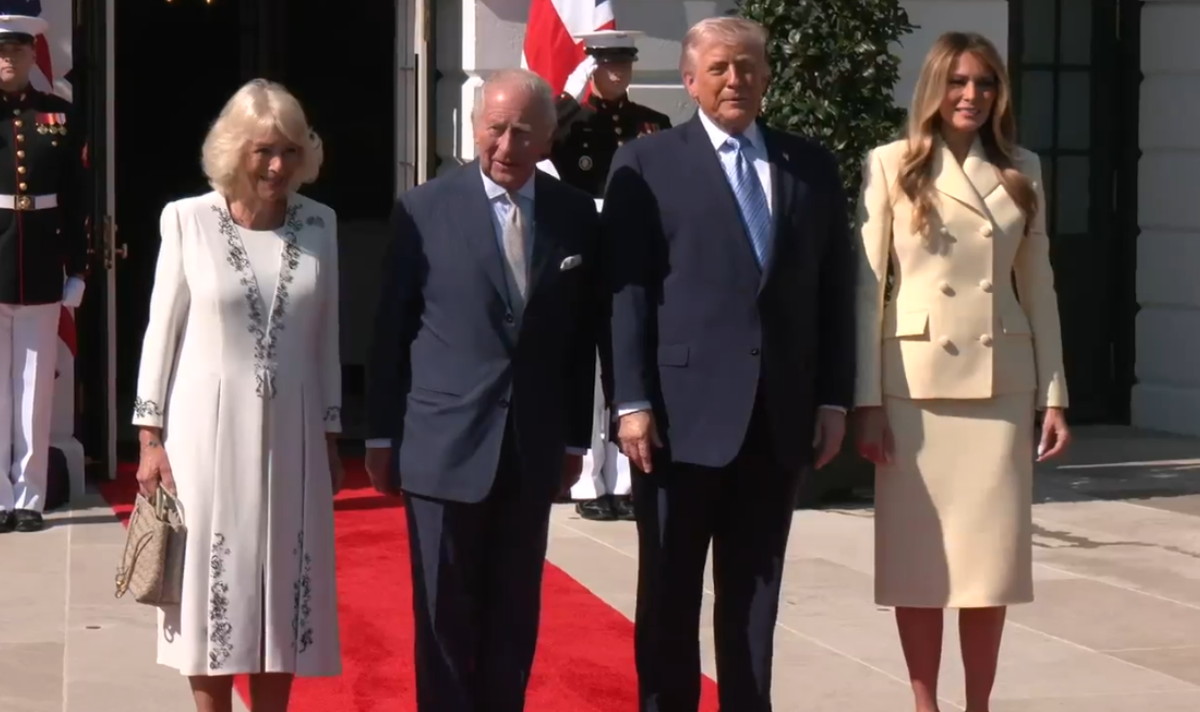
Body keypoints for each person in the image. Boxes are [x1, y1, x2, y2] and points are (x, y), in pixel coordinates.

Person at [603, 16, 856, 712]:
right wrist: (630, 401)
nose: (735, 79)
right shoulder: (648, 164)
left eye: (747, 66)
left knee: (754, 596)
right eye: (718, 67)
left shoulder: (810, 166)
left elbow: (835, 293)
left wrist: (834, 399)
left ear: (767, 76)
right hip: (677, 425)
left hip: (775, 420)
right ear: (690, 81)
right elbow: (626, 294)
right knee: (670, 595)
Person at [364, 68, 603, 712]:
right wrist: (381, 432)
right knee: (443, 615)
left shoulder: (577, 216)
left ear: (549, 138)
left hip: (530, 449)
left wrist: (576, 438)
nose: (504, 146)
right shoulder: (423, 210)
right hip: (441, 445)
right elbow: (390, 331)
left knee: (513, 612)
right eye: (494, 129)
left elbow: (580, 341)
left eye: (522, 132)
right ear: (473, 128)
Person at [853, 32, 1071, 712]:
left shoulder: (1022, 169)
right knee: (919, 568)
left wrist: (1054, 395)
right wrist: (865, 399)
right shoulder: (890, 164)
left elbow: (1039, 289)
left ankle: (978, 706)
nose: (971, 95)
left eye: (984, 83)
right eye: (958, 82)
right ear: (934, 89)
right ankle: (926, 706)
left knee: (990, 568)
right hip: (914, 388)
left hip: (999, 387)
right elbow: (868, 288)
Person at [131, 79, 343, 712]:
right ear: (232, 150)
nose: (277, 166)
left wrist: (332, 436)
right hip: (204, 434)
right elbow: (159, 330)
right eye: (262, 151)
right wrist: (149, 436)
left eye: (289, 150)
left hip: (295, 433)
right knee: (209, 589)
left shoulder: (321, 224)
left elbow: (327, 337)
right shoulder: (187, 219)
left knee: (284, 589)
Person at [549, 29, 670, 521]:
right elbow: (539, 142)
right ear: (592, 68)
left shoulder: (652, 124)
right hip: (585, 259)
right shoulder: (570, 123)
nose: (617, 73)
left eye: (624, 64)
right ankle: (588, 482)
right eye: (607, 64)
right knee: (592, 378)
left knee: (628, 365)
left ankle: (625, 479)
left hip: (633, 257)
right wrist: (565, 97)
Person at [0, 9, 87, 534]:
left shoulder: (59, 115)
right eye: (0, 49)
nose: (8, 58)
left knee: (35, 388)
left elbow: (77, 199)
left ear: (34, 54)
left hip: (40, 264)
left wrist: (77, 268)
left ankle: (28, 497)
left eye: (17, 49)